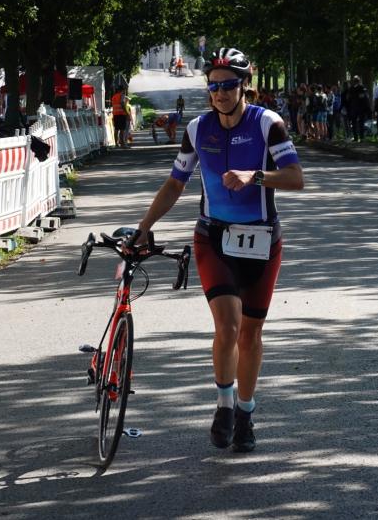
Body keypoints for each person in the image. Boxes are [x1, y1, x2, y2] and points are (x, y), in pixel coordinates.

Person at [132, 47, 304, 452]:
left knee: (251, 333)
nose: (220, 93)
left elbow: (295, 178)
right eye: (213, 87)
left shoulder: (268, 124)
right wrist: (144, 227)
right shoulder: (198, 128)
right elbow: (175, 183)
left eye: (228, 86)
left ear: (245, 85)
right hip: (213, 238)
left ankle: (245, 412)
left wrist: (255, 176)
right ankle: (225, 405)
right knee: (227, 327)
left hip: (262, 239)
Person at [348, 75, 371, 143]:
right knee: (359, 123)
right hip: (359, 107)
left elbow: (349, 98)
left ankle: (357, 137)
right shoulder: (361, 87)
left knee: (355, 123)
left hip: (355, 107)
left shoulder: (352, 88)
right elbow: (365, 98)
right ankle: (360, 137)